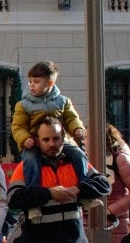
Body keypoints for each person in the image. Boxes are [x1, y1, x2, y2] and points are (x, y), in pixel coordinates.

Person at [10, 61, 87, 190]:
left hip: (59, 142)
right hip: (34, 143)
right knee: (30, 160)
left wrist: (78, 129)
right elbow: (18, 127)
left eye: (36, 82)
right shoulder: (23, 105)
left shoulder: (63, 101)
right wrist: (25, 139)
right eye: (30, 82)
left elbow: (71, 119)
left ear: (50, 83)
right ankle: (34, 194)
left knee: (78, 154)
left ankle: (84, 187)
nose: (31, 85)